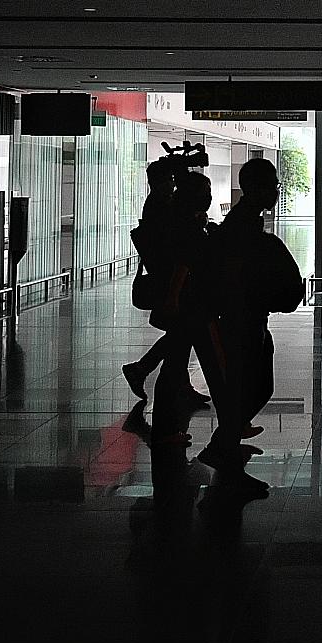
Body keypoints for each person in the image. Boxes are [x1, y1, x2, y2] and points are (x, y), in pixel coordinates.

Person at [197, 158, 305, 494]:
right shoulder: (245, 228)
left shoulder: (243, 221)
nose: (277, 189)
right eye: (273, 183)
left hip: (244, 317)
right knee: (248, 388)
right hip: (240, 320)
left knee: (249, 387)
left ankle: (224, 446)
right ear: (258, 188)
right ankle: (225, 458)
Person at [122, 159, 211, 410]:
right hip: (171, 280)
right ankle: (144, 371)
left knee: (180, 335)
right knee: (181, 334)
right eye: (171, 180)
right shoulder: (163, 208)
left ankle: (170, 382)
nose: (174, 185)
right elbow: (181, 252)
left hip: (169, 280)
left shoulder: (157, 205)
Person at [147, 171, 218, 447]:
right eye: (205, 190)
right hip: (186, 304)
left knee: (175, 364)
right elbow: (183, 264)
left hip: (187, 303)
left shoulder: (179, 218)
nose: (208, 196)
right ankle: (164, 430)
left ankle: (166, 428)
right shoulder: (186, 225)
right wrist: (174, 298)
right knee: (175, 366)